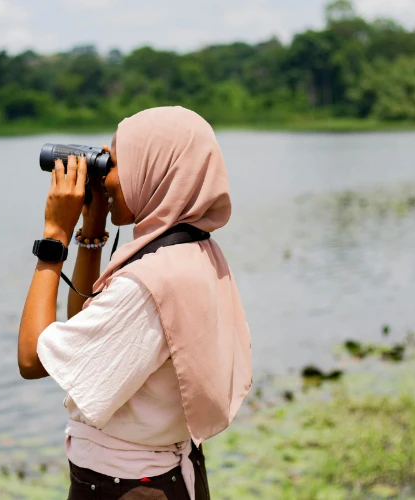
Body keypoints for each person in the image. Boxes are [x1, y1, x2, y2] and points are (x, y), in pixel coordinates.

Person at [18, 106, 252, 500]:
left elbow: (32, 361)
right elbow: (84, 326)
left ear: (154, 172)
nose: (105, 177)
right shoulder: (193, 253)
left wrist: (54, 236)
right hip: (166, 476)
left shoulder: (147, 284)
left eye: (114, 163)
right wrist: (92, 231)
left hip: (129, 488)